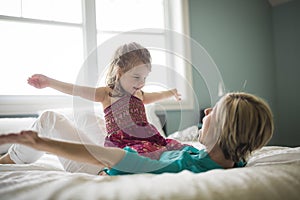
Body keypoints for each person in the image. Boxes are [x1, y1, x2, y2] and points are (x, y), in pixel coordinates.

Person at [0, 42, 186, 173]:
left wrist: (171, 93)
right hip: (119, 145)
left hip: (143, 144)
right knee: (83, 118)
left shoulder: (139, 95)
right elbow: (76, 90)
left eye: (145, 78)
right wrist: (49, 82)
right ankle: (8, 159)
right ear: (120, 72)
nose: (141, 83)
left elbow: (157, 96)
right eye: (137, 77)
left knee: (88, 121)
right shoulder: (106, 93)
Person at [0, 92, 274, 176]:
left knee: (48, 119)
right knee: (84, 115)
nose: (205, 113)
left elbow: (104, 158)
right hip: (128, 151)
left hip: (97, 170)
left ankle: (6, 161)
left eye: (213, 112)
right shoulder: (234, 159)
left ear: (225, 131)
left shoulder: (181, 165)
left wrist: (43, 143)